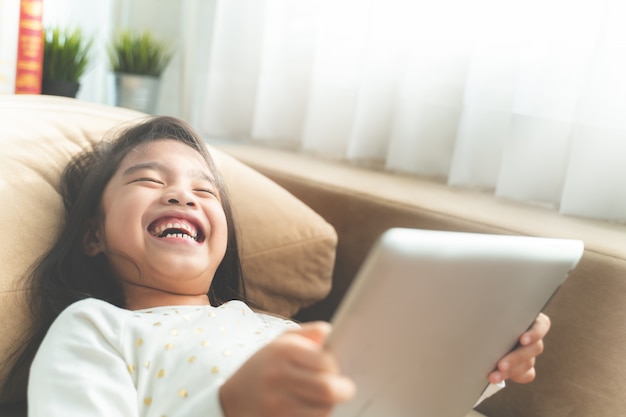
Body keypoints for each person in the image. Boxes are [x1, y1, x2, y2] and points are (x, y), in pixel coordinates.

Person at [4, 116, 550, 416]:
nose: (183, 197)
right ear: (93, 236)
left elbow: (388, 394)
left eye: (205, 190)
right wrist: (230, 405)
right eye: (149, 180)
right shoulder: (98, 329)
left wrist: (485, 355)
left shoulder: (278, 329)